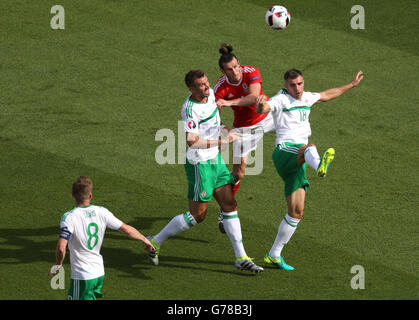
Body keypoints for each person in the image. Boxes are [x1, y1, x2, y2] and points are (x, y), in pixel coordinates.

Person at [146, 69, 264, 273]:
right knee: (197, 216)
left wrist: (225, 129)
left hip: (215, 162)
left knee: (230, 205)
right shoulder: (190, 109)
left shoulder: (211, 99)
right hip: (199, 165)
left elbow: (215, 123)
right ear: (191, 88)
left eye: (207, 82)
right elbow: (191, 141)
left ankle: (241, 257)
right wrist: (222, 141)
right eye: (201, 85)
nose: (207, 86)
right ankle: (155, 242)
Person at [255, 69, 364, 270]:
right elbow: (264, 108)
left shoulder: (306, 97)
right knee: (308, 148)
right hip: (285, 152)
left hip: (298, 161)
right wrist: (261, 104)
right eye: (292, 85)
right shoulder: (281, 100)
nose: (297, 88)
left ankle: (274, 255)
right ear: (286, 86)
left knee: (296, 212)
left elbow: (326, 95)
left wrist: (350, 85)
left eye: (300, 83)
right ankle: (321, 164)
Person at [48, 176, 155, 300]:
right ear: (90, 196)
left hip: (83, 276)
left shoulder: (69, 217)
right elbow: (127, 229)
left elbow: (61, 248)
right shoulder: (102, 212)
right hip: (99, 273)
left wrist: (58, 264)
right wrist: (144, 239)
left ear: (73, 194)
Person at [214, 43, 275, 233]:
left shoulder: (251, 71)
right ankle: (226, 208)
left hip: (268, 117)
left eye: (236, 66)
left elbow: (254, 96)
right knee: (239, 173)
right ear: (222, 71)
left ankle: (311, 158)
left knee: (295, 132)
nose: (235, 72)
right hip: (244, 128)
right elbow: (213, 117)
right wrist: (225, 131)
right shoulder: (220, 88)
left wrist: (229, 102)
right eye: (230, 70)